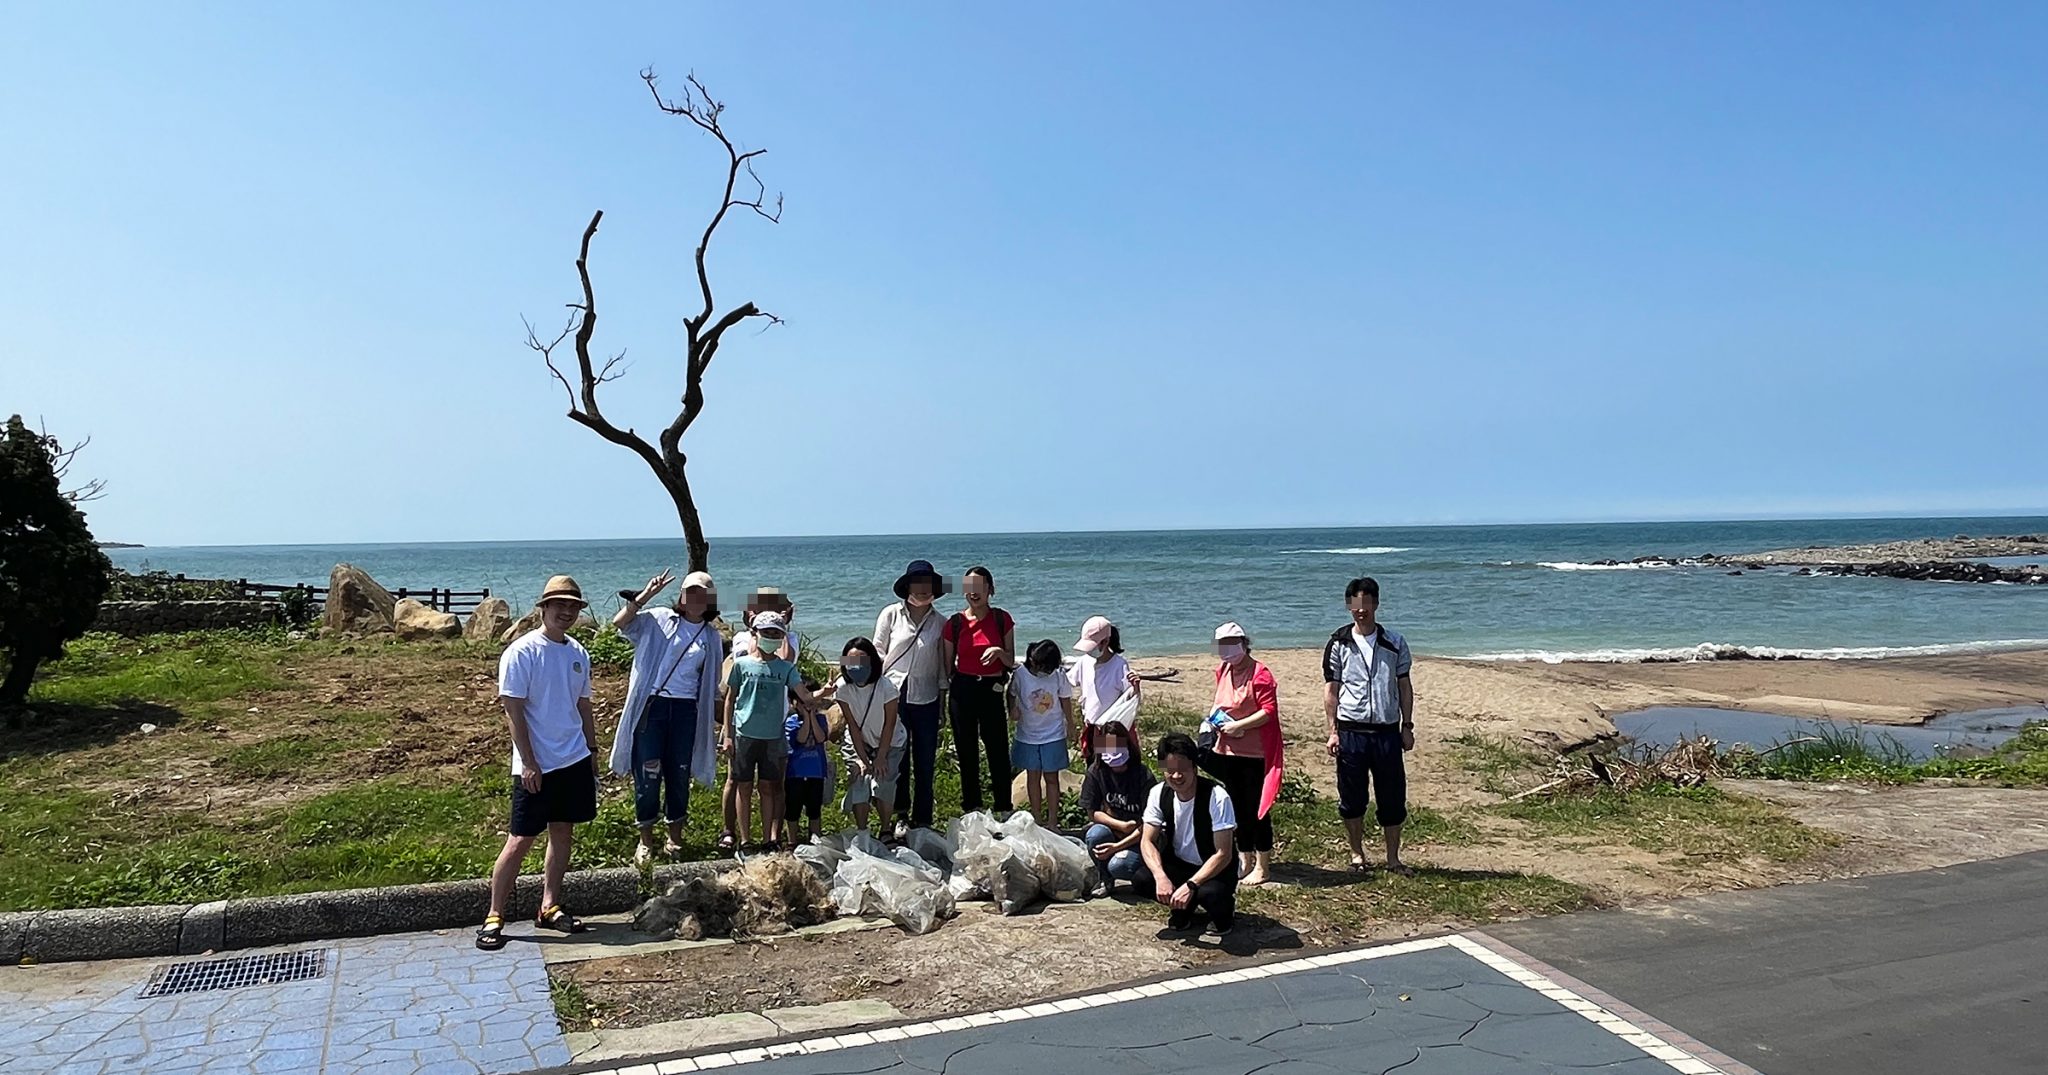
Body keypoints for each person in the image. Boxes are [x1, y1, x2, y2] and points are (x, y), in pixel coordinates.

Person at [478, 575, 599, 951]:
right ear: (543, 608)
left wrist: (592, 753)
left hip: (573, 758)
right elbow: (512, 709)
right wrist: (528, 761)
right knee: (520, 839)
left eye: (573, 606)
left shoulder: (578, 652)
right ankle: (495, 914)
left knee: (563, 833)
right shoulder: (521, 652)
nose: (566, 612)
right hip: (536, 764)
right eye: (559, 605)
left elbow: (583, 705)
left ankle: (549, 905)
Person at [607, 569, 724, 865]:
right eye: (690, 592)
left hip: (686, 711)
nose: (695, 599)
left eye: (702, 594)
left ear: (710, 600)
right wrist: (645, 596)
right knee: (647, 772)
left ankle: (675, 838)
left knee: (678, 773)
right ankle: (645, 839)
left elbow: (711, 685)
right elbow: (620, 623)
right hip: (653, 706)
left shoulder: (711, 637)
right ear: (681, 597)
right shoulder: (658, 618)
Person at [1321, 576, 1416, 875]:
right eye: (1355, 604)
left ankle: (1393, 858)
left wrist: (1407, 726)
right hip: (1351, 731)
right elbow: (1331, 690)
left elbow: (1404, 686)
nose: (1361, 610)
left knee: (1392, 796)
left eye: (1367, 603)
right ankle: (1356, 854)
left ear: (1376, 603)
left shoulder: (1395, 642)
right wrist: (1332, 731)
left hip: (1387, 731)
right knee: (1352, 797)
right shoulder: (1338, 642)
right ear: (1349, 606)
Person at [721, 610, 820, 854]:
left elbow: (803, 694)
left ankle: (768, 839)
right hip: (744, 734)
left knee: (768, 787)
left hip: (773, 737)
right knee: (743, 786)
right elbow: (730, 699)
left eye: (777, 633)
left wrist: (824, 693)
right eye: (767, 632)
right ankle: (745, 840)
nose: (771, 637)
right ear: (755, 633)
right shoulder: (741, 664)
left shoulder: (786, 668)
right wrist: (728, 733)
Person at [1198, 621, 1282, 886]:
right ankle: (1244, 858)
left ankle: (1263, 865)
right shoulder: (1223, 670)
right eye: (1221, 645)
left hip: (1254, 752)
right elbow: (1219, 702)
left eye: (1230, 644)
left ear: (1244, 644)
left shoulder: (1260, 674)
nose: (1226, 650)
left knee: (1256, 809)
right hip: (1227, 749)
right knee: (1237, 808)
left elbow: (1268, 711)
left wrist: (1239, 725)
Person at [1139, 731, 1239, 938]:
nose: (1177, 776)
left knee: (1210, 894)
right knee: (1142, 879)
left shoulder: (1217, 796)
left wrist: (1191, 884)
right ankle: (1183, 907)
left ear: (1194, 766)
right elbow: (1147, 840)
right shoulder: (1158, 793)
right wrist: (1160, 876)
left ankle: (1222, 913)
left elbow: (1223, 853)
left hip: (1214, 870)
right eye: (1170, 770)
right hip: (1179, 863)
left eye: (1183, 769)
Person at [875, 560, 947, 834]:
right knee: (899, 758)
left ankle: (924, 817)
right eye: (917, 584)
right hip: (893, 693)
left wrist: (942, 704)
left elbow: (942, 666)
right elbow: (878, 650)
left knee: (925, 759)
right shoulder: (891, 615)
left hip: (927, 695)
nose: (922, 590)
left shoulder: (941, 623)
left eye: (927, 585)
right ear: (907, 587)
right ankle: (900, 814)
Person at [940, 565, 1016, 815]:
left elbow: (1011, 661)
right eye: (968, 587)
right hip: (963, 688)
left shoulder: (1001, 618)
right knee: (966, 749)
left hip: (992, 688)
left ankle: (1004, 806)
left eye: (979, 587)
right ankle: (972, 807)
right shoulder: (954, 623)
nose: (974, 593)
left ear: (989, 590)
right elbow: (948, 665)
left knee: (997, 749)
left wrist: (998, 652)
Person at [831, 637, 904, 840]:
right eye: (851, 662)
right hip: (859, 740)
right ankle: (862, 831)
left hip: (890, 741)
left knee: (883, 782)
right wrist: (862, 758)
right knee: (859, 779)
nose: (856, 667)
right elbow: (852, 725)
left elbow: (890, 724)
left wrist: (880, 756)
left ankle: (885, 828)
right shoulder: (842, 688)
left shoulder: (887, 688)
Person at [1079, 719, 1156, 896]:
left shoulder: (1143, 775)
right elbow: (1093, 812)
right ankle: (1105, 879)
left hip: (1139, 837)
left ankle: (1143, 867)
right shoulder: (1095, 771)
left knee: (1119, 865)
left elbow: (1149, 824)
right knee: (1095, 834)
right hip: (1115, 830)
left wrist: (1118, 846)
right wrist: (1120, 826)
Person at [1008, 639, 1076, 828]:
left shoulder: (1058, 675)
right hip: (1028, 734)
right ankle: (1037, 819)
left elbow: (1065, 699)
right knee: (1033, 777)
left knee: (1052, 778)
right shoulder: (1020, 674)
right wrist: (1012, 709)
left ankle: (1053, 820)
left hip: (1053, 733)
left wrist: (1071, 724)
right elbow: (1011, 693)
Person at [1070, 615, 1142, 758]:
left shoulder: (1119, 665)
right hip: (1091, 726)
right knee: (1093, 765)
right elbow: (1067, 681)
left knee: (1112, 764)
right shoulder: (1084, 662)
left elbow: (1131, 698)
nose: (1089, 651)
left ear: (1105, 642)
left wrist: (1136, 687)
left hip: (1111, 729)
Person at [784, 677, 831, 845]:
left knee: (814, 809)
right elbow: (802, 739)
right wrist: (805, 719)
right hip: (795, 774)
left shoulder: (821, 720)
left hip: (816, 773)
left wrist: (811, 717)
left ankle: (816, 840)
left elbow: (820, 738)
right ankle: (792, 841)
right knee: (793, 809)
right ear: (794, 701)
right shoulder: (791, 721)